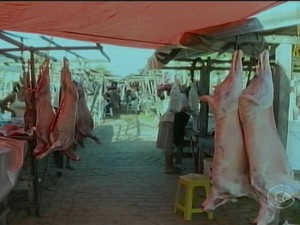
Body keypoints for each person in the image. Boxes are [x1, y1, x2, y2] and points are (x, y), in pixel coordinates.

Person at [156, 83, 191, 174]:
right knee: (169, 146)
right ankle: (168, 167)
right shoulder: (181, 97)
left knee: (170, 145)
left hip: (169, 120)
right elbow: (183, 108)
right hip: (169, 121)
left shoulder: (178, 96)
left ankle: (170, 165)